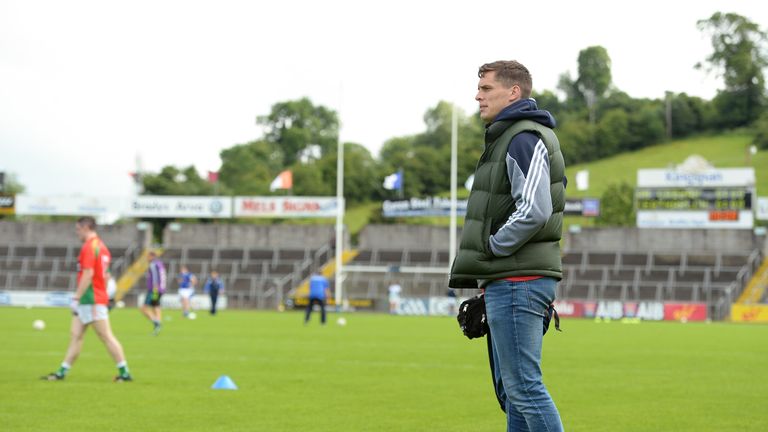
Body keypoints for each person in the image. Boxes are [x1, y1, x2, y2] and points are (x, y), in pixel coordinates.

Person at [448, 60, 565, 432]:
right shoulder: (509, 136)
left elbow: (535, 210)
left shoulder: (523, 137)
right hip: (511, 280)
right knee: (513, 394)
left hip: (519, 280)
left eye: (486, 88)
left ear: (514, 92)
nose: (477, 96)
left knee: (524, 389)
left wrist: (493, 250)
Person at [42, 216, 132, 382]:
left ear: (86, 228)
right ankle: (61, 372)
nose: (77, 233)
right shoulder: (102, 247)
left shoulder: (90, 247)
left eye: (78, 229)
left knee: (106, 336)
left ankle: (125, 373)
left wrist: (77, 297)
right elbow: (106, 276)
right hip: (90, 299)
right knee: (76, 335)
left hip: (91, 299)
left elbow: (88, 274)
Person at [141, 250, 166, 335]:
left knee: (144, 308)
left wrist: (155, 288)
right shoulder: (160, 264)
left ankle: (157, 323)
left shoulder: (153, 264)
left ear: (152, 256)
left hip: (154, 290)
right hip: (161, 289)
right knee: (156, 306)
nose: (147, 258)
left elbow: (155, 277)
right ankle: (158, 326)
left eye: (148, 256)